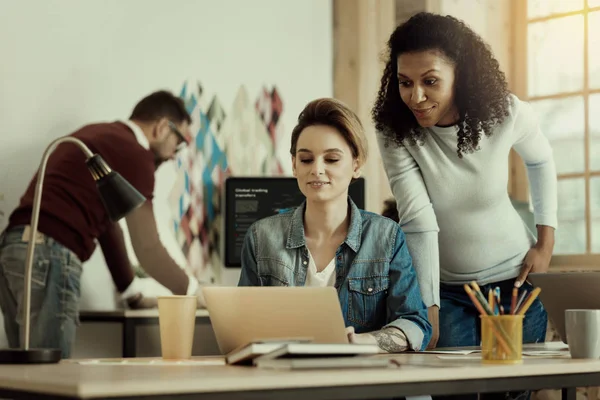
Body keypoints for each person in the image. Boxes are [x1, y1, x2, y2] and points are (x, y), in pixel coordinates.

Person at [372, 12, 557, 400]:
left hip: (516, 283)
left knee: (513, 393)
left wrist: (546, 242)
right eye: (405, 83)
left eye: (431, 81)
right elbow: (418, 218)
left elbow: (540, 160)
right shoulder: (395, 130)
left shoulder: (505, 113)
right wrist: (430, 306)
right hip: (449, 289)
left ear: (462, 76)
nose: (416, 97)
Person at [0, 90, 206, 358]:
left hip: (13, 251)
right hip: (49, 258)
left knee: (26, 377)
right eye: (179, 142)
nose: (172, 156)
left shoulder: (99, 135)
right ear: (161, 127)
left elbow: (108, 226)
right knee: (51, 379)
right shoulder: (135, 154)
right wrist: (195, 294)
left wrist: (131, 293)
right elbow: (148, 247)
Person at [238, 97, 432, 354]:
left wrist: (367, 341)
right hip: (283, 381)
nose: (317, 169)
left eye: (331, 159)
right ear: (294, 164)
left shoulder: (386, 236)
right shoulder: (261, 237)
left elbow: (415, 324)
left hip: (359, 384)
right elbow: (241, 325)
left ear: (356, 164)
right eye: (306, 159)